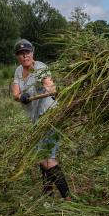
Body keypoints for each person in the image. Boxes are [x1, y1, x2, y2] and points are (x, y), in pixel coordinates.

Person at [12, 39, 70, 199]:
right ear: (17, 57)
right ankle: (48, 192)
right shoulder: (18, 71)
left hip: (49, 115)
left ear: (33, 53)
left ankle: (68, 198)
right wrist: (20, 97)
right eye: (21, 54)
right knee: (40, 158)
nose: (24, 56)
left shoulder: (40, 68)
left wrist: (50, 89)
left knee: (48, 159)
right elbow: (15, 93)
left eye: (27, 52)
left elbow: (50, 85)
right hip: (36, 119)